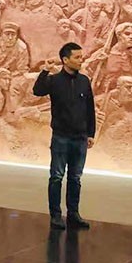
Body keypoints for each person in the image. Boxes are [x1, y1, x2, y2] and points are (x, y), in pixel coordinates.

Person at [32, 42, 95, 231]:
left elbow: (90, 108)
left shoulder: (84, 81)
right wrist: (45, 70)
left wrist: (90, 133)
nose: (81, 60)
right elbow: (37, 90)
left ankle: (73, 214)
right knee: (56, 177)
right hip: (61, 136)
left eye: (81, 57)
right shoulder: (54, 80)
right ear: (65, 60)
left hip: (80, 137)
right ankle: (56, 215)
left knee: (75, 178)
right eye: (77, 57)